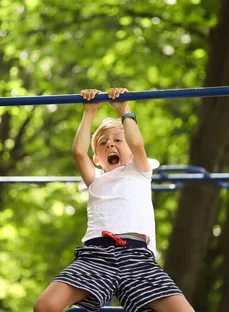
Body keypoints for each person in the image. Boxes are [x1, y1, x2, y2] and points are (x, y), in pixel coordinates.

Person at [34, 88, 194, 312]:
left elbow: (137, 144)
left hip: (137, 258)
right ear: (97, 158)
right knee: (45, 306)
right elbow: (79, 153)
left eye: (118, 140)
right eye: (103, 143)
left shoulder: (139, 170)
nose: (110, 144)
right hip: (96, 255)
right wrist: (89, 111)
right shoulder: (95, 179)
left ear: (129, 152)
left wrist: (124, 110)